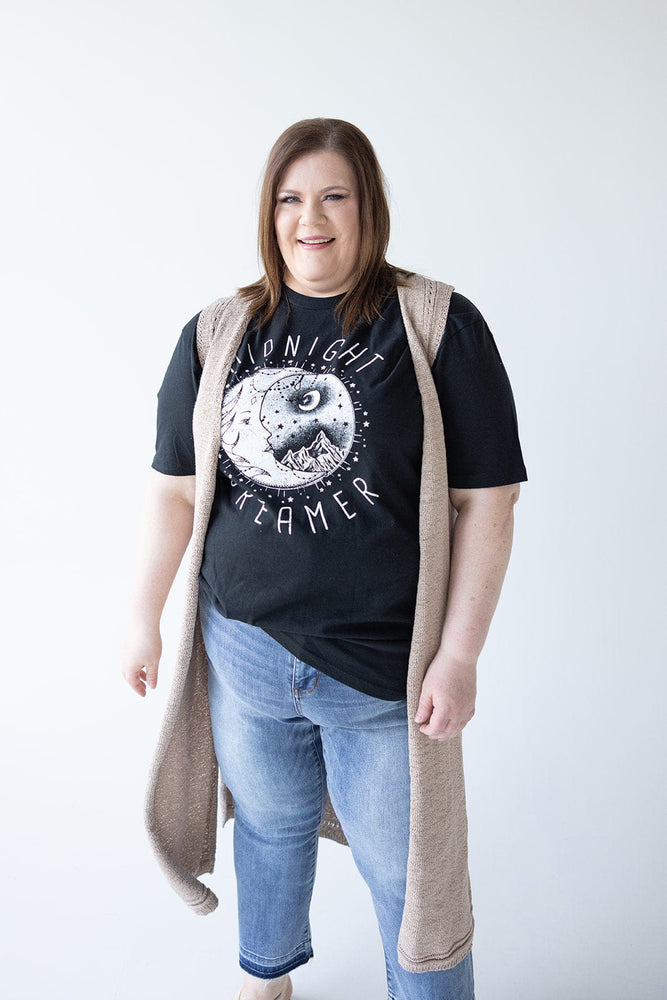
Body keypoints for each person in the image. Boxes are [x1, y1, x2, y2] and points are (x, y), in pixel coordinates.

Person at [122, 118, 527, 1000]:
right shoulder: (218, 330)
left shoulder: (434, 324)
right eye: (290, 198)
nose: (312, 217)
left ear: (367, 207)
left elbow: (485, 503)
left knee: (408, 879)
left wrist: (458, 656)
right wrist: (141, 618)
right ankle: (266, 980)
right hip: (244, 654)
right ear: (269, 214)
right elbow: (173, 491)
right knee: (267, 827)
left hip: (383, 675)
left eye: (334, 195)